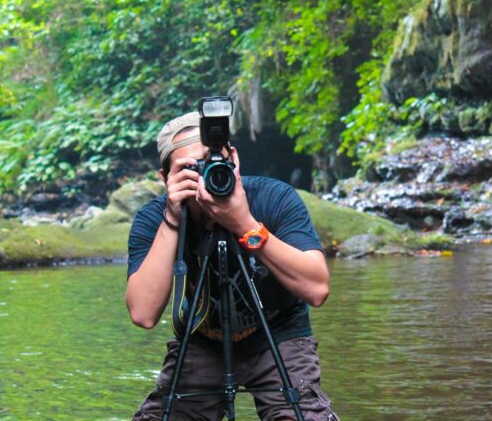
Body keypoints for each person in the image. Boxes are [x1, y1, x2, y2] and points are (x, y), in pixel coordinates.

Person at [125, 112, 339, 420]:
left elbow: (317, 289)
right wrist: (173, 218)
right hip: (201, 340)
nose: (206, 176)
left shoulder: (274, 199)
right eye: (191, 169)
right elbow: (143, 314)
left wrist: (244, 225)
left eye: (214, 162)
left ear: (234, 158)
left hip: (278, 334)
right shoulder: (154, 219)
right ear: (166, 178)